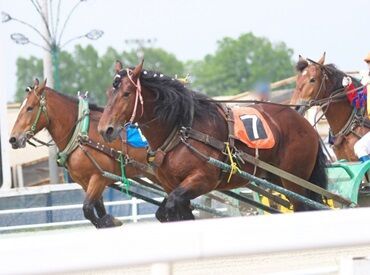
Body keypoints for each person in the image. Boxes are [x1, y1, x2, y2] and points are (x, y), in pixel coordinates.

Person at [353, 53, 370, 162]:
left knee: (360, 147)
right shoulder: (367, 82)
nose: (369, 65)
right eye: (368, 63)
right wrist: (349, 87)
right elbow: (358, 102)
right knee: (359, 147)